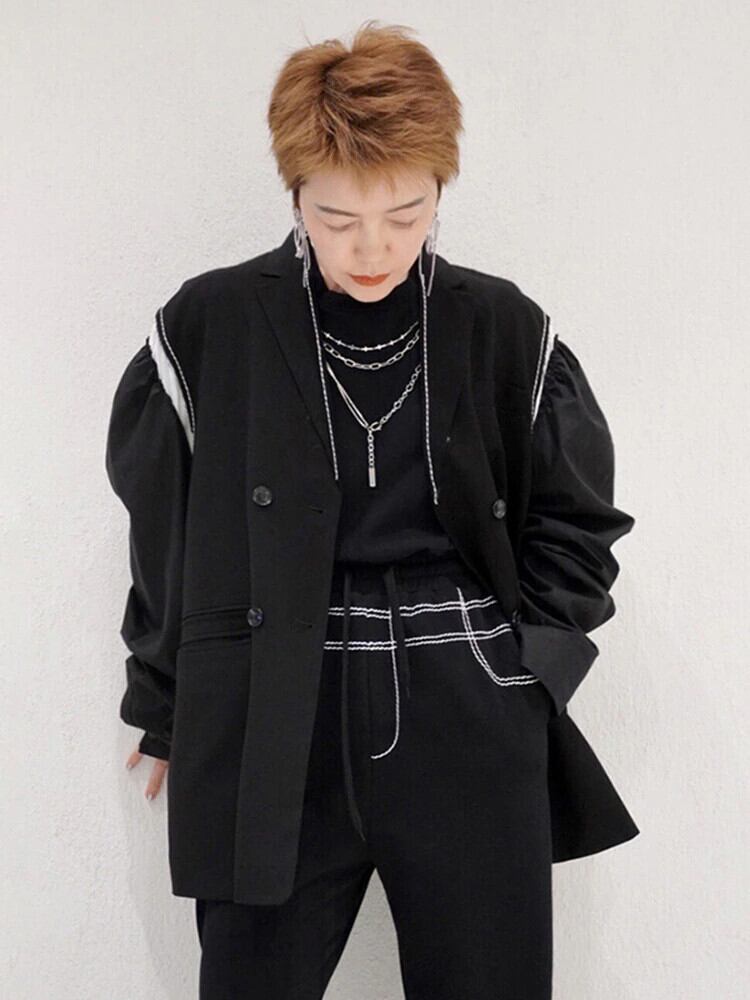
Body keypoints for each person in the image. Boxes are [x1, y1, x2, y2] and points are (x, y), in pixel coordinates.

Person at [105, 20, 638, 999]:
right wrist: (164, 698)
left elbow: (578, 519)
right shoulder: (212, 323)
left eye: (406, 212)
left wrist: (529, 673)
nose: (373, 247)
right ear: (295, 194)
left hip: (467, 703)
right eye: (337, 216)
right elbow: (164, 532)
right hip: (274, 703)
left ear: (440, 191)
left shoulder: (503, 325)